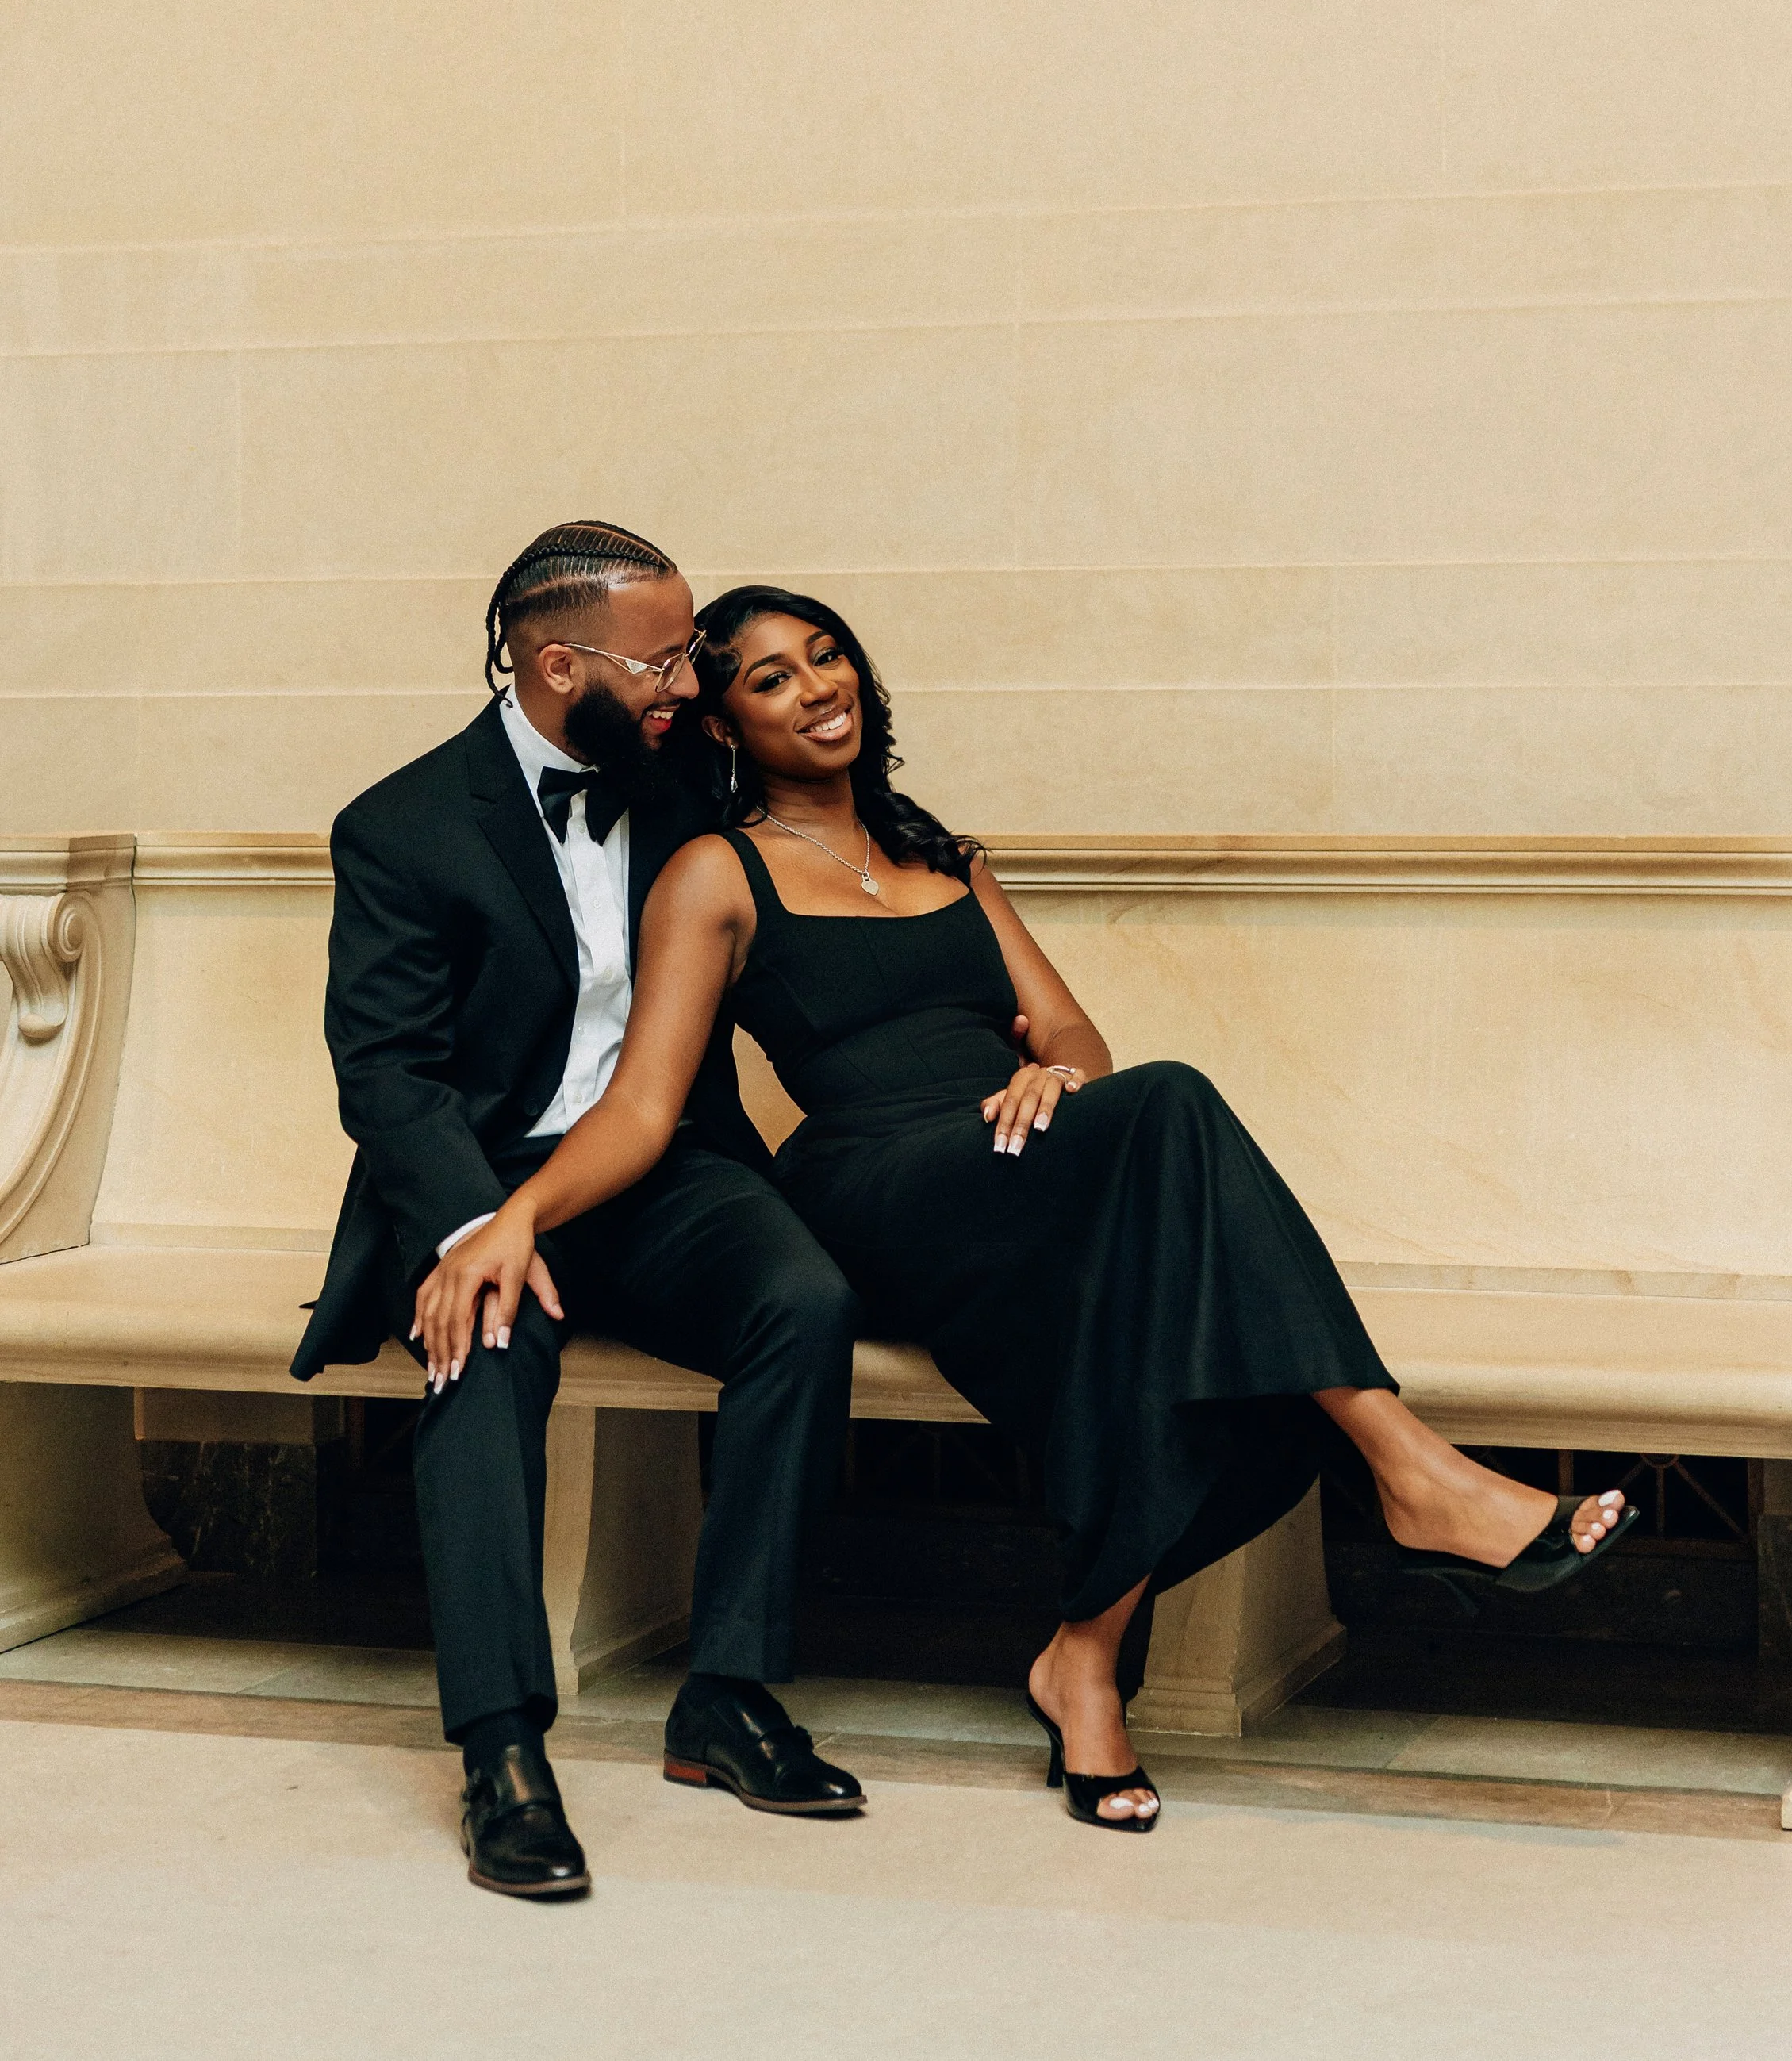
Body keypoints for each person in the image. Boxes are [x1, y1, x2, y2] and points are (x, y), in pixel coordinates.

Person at [414, 585, 1633, 1837]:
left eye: (826, 656)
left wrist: (1059, 1072)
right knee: (1175, 1107)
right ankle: (1410, 1466)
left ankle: (1084, 1660)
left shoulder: (945, 854)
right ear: (723, 725)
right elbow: (644, 1105)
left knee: (1169, 1305)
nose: (817, 685)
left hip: (1011, 1161)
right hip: (874, 1181)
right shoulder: (715, 874)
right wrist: (515, 1215)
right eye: (771, 678)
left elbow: (1069, 1030)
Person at [292, 528, 869, 1906]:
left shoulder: (690, 780)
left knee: (807, 1299)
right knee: (477, 1352)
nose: (693, 677)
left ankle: (727, 1693)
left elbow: (853, 874)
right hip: (489, 1182)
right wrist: (470, 1229)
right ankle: (502, 1753)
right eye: (666, 656)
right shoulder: (402, 824)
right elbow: (387, 1074)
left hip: (669, 1170)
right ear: (561, 665)